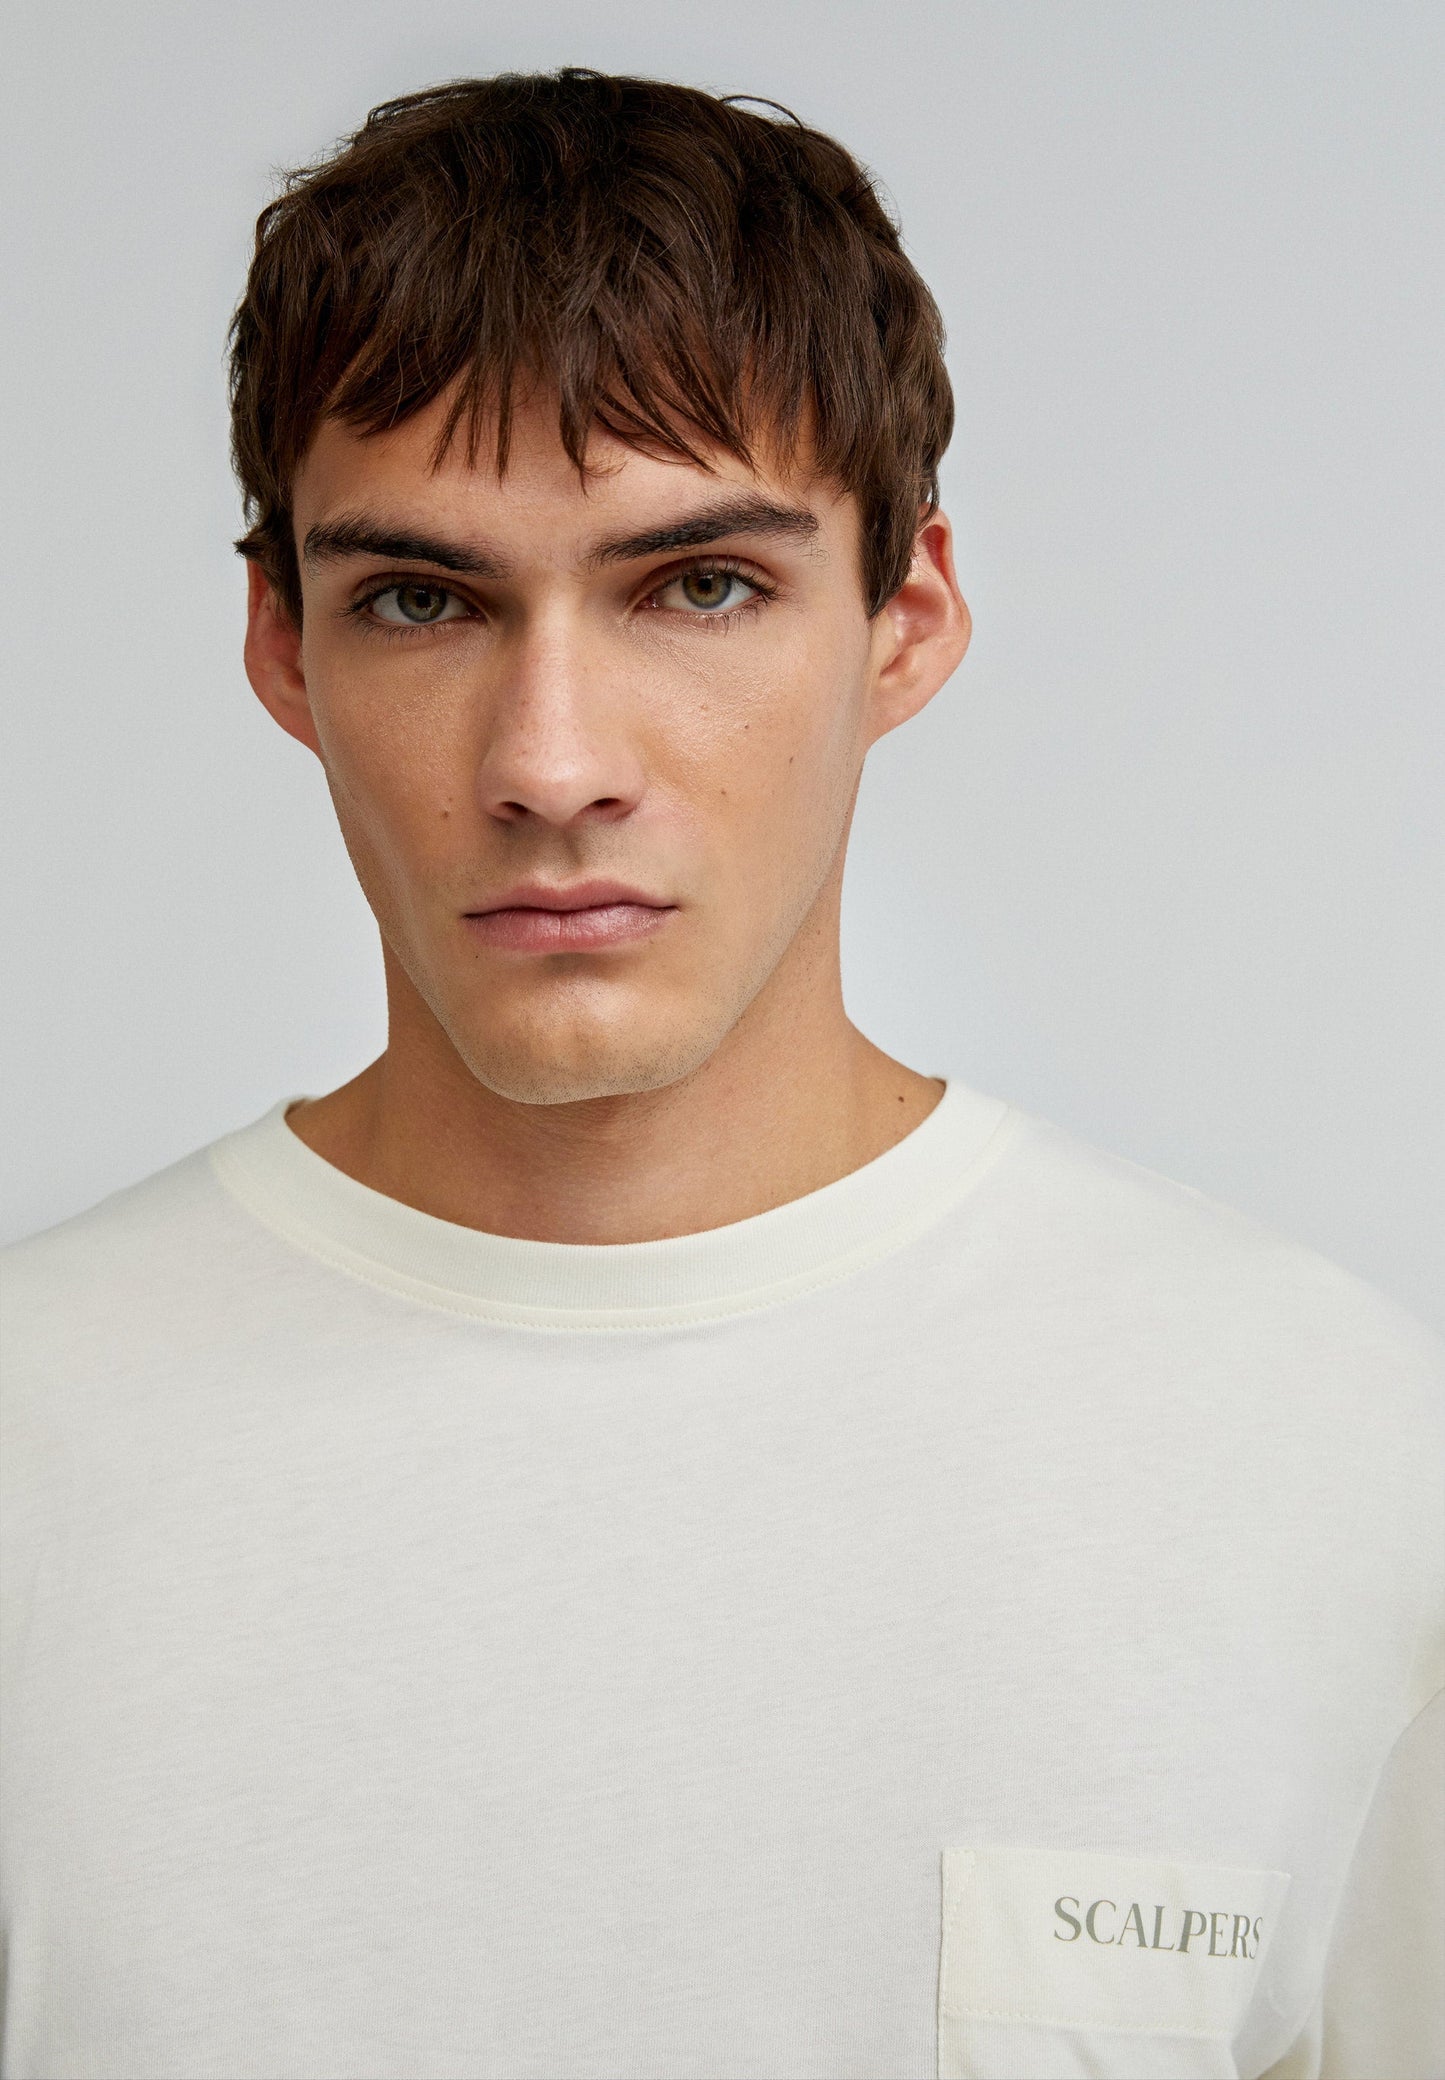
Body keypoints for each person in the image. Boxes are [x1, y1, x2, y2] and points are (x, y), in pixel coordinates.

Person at [1, 67, 1439, 2080]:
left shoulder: (1345, 1460)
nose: (551, 760)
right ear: (283, 647)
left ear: (903, 622)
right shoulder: (32, 1451)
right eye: (422, 599)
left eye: (699, 586)